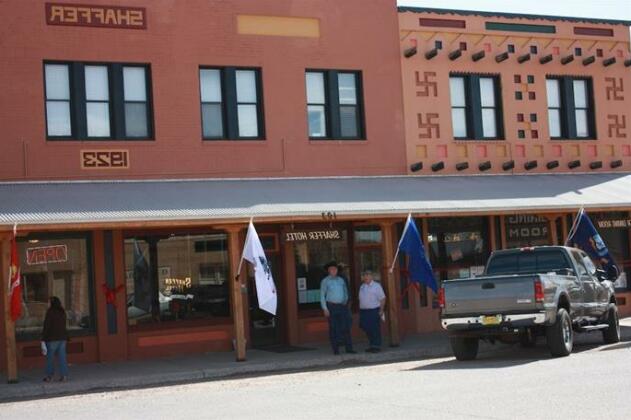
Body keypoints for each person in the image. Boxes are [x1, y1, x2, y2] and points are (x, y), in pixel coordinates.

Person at [320, 261, 355, 355]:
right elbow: (322, 295)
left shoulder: (341, 280)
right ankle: (336, 350)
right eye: (331, 269)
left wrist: (346, 300)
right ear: (328, 271)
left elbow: (345, 292)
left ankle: (349, 348)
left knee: (345, 327)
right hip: (331, 307)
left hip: (342, 306)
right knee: (333, 328)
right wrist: (325, 308)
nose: (333, 271)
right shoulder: (325, 281)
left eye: (335, 269)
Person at [42, 296, 69, 382]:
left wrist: (43, 337)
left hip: (52, 338)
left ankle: (49, 376)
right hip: (62, 337)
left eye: (49, 302)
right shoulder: (62, 311)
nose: (48, 304)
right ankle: (64, 376)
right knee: (62, 357)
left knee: (50, 358)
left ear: (52, 303)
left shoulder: (50, 312)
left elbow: (47, 326)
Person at [358, 271, 386, 353]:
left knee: (374, 328)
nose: (366, 277)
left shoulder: (376, 286)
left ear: (371, 277)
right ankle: (372, 344)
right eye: (364, 275)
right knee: (365, 327)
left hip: (373, 310)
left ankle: (376, 346)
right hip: (364, 311)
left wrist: (381, 310)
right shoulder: (362, 286)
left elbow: (383, 298)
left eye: (367, 275)